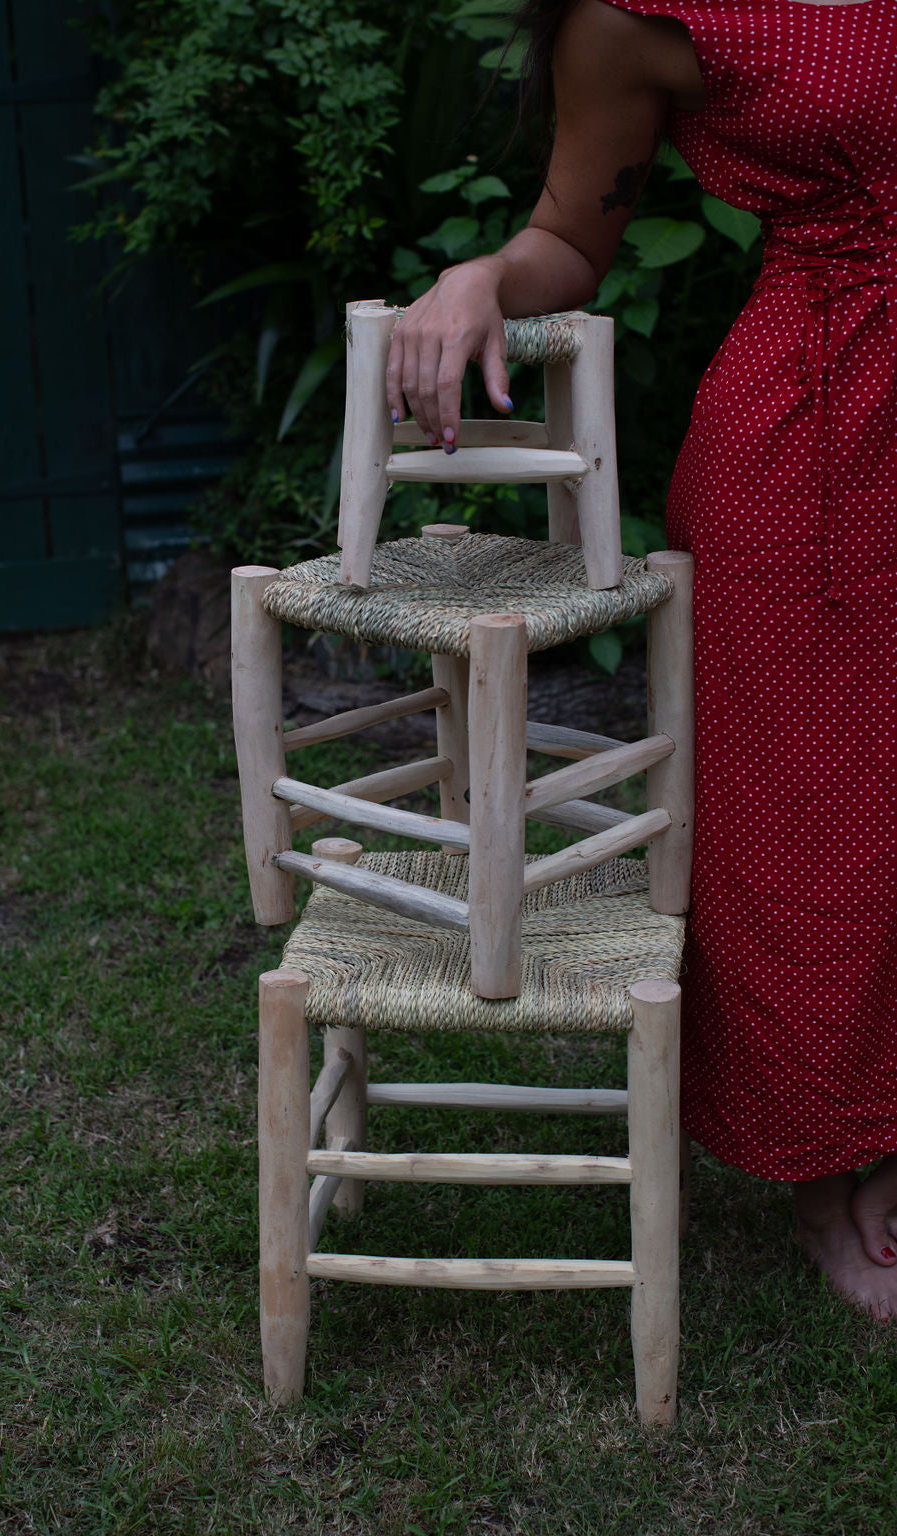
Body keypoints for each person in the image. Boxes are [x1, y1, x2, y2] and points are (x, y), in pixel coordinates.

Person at [388, 0, 897, 1318]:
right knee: (813, 819)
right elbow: (572, 238)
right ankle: (829, 1165)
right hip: (822, 447)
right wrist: (479, 278)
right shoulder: (631, 18)